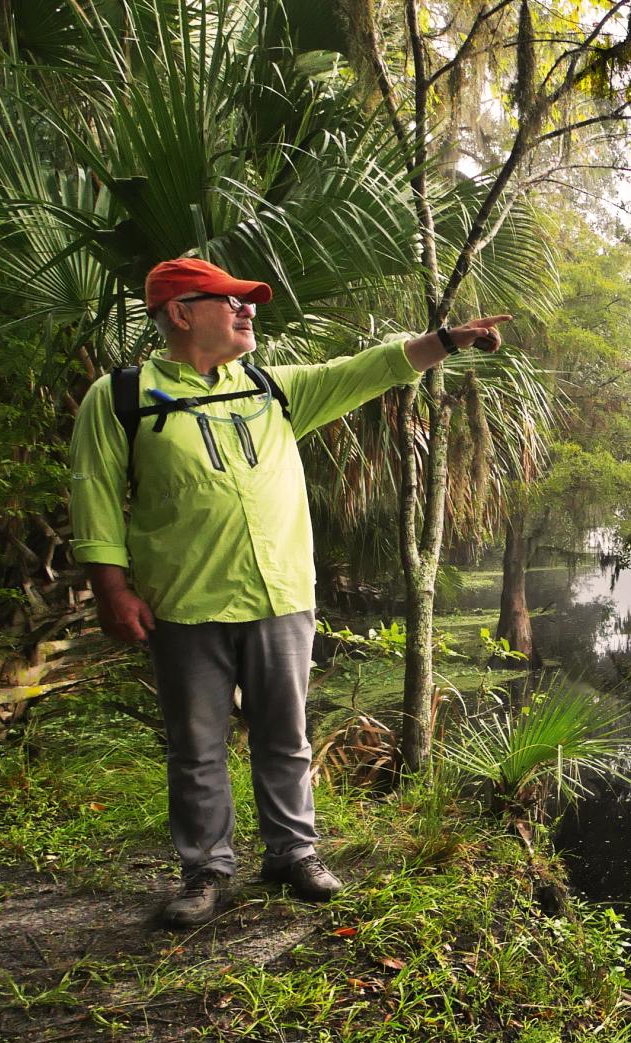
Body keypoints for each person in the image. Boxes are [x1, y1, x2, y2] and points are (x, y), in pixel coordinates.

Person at [68, 257, 511, 928]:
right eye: (229, 301)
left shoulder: (272, 389)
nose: (247, 311)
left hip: (279, 593)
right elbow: (95, 491)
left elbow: (368, 370)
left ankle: (292, 853)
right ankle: (206, 870)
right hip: (185, 599)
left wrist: (448, 340)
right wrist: (110, 587)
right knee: (195, 745)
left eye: (247, 302)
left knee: (286, 734)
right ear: (182, 313)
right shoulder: (122, 395)